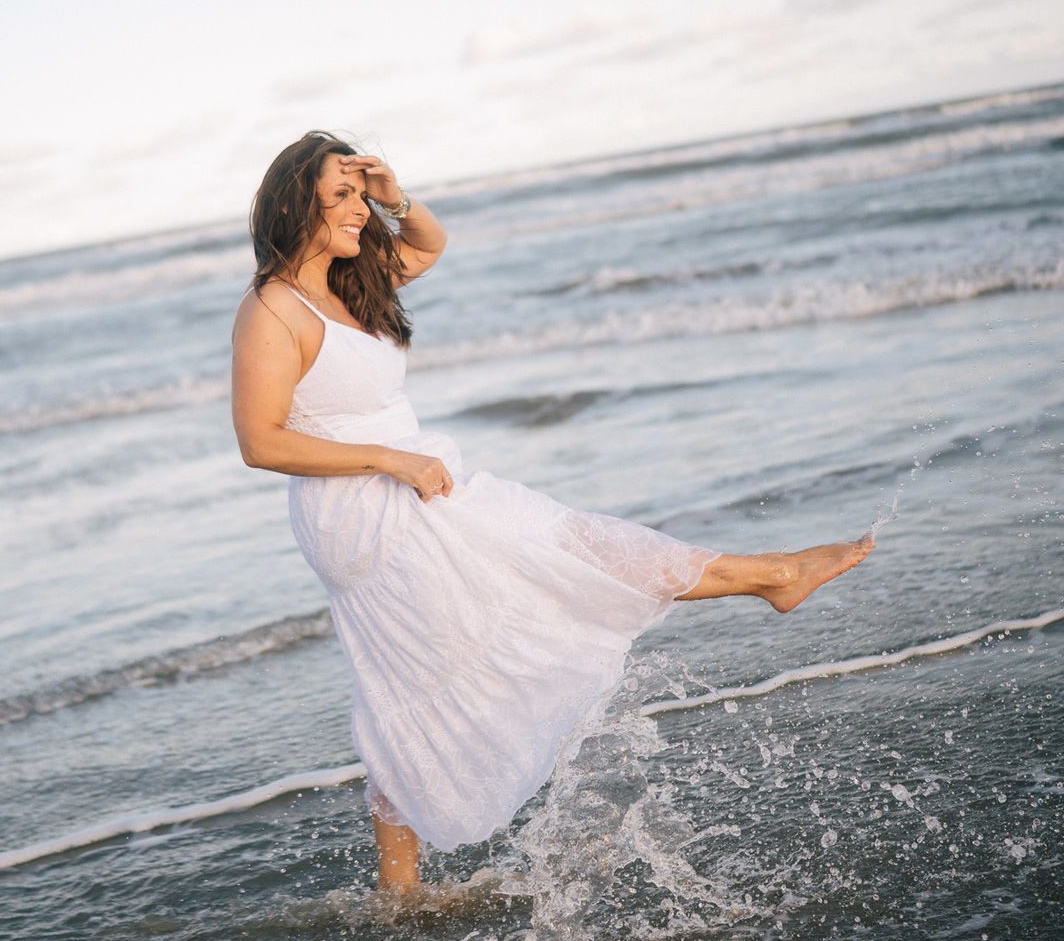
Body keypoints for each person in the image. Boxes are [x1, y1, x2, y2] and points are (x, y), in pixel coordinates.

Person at [231, 131, 873, 896]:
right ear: (295, 204)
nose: (361, 213)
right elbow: (260, 440)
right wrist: (389, 458)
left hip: (415, 484)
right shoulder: (275, 306)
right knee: (556, 556)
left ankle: (397, 892)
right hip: (367, 512)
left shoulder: (355, 277)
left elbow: (431, 243)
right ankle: (771, 575)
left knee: (415, 679)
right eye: (342, 196)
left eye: (362, 195)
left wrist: (395, 194)